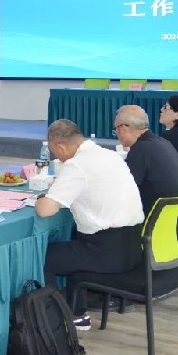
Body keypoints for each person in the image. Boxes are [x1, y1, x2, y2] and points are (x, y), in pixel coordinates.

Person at [35, 119, 144, 330]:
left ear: (60, 147)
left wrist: (41, 198)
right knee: (74, 243)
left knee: (44, 257)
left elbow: (45, 210)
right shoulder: (110, 155)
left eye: (55, 153)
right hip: (133, 247)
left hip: (106, 251)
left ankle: (56, 321)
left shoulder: (76, 164)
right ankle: (77, 314)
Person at [115, 105, 178, 214]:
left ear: (124, 128)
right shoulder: (163, 142)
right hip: (174, 217)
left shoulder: (141, 149)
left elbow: (122, 189)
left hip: (153, 218)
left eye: (115, 129)